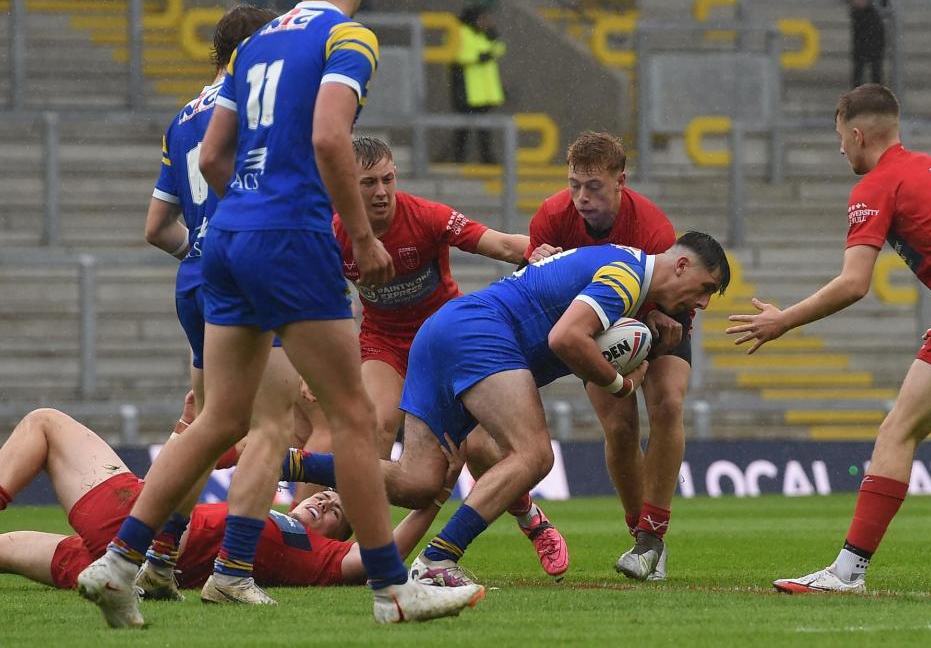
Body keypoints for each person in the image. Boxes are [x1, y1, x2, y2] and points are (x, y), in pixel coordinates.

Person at [77, 0, 483, 629]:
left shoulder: (256, 44)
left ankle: (121, 561)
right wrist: (358, 234)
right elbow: (329, 137)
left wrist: (246, 211)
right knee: (353, 416)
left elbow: (213, 157)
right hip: (291, 237)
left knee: (217, 419)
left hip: (226, 241)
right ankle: (392, 589)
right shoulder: (348, 36)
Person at [288, 235, 730, 584]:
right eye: (706, 288)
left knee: (417, 483)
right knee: (535, 454)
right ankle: (440, 558)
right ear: (682, 264)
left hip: (442, 331)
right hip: (480, 332)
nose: (704, 303)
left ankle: (289, 462)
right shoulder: (629, 274)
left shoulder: (622, 269)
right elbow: (565, 339)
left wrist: (642, 333)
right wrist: (619, 384)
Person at [726, 84, 931, 594]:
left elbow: (855, 284)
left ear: (857, 134)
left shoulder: (878, 184)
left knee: (897, 431)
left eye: (840, 137)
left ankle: (847, 571)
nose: (839, 149)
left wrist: (784, 320)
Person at [325, 135, 568, 578]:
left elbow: (494, 242)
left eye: (388, 179)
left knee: (477, 447)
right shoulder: (333, 233)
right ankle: (363, 543)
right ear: (347, 184)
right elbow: (317, 297)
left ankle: (530, 519)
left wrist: (535, 252)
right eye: (368, 183)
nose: (381, 191)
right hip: (385, 343)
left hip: (446, 344)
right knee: (373, 423)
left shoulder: (425, 216)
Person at [140, 4, 304, 607]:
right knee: (269, 424)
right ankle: (232, 570)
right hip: (250, 271)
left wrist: (201, 250)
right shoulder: (253, 108)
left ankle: (158, 557)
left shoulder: (182, 119)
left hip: (196, 279)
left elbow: (158, 226)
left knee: (207, 427)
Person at [0, 409, 464, 592]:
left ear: (340, 537)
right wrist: (188, 428)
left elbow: (384, 553)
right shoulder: (259, 511)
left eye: (334, 513)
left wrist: (437, 493)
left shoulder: (325, 558)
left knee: (44, 423)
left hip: (129, 531)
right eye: (323, 497)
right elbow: (171, 479)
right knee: (8, 546)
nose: (323, 504)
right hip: (126, 549)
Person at [525, 131, 690, 581]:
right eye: (574, 184)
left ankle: (654, 535)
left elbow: (672, 292)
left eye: (593, 186)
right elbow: (533, 287)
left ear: (621, 181)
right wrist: (533, 259)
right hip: (597, 324)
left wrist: (659, 314)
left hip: (658, 316)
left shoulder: (653, 228)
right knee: (619, 427)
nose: (581, 197)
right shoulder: (552, 216)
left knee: (668, 404)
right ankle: (641, 536)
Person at [450, 0, 506, 164]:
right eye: (482, 18)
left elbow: (499, 48)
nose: (485, 21)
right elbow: (458, 54)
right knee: (463, 129)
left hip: (484, 92)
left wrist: (492, 38)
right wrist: (480, 56)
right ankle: (458, 159)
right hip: (468, 91)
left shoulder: (482, 34)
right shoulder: (460, 32)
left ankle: (487, 158)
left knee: (485, 130)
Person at [847, 0, 890, 88]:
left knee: (873, 69)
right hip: (863, 33)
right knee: (861, 69)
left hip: (872, 33)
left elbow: (882, 7)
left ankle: (873, 100)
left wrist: (867, 3)